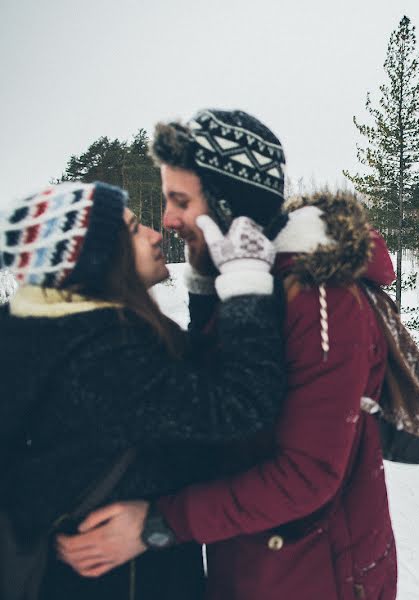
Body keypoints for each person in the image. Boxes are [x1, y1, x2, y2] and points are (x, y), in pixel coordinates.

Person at [59, 109, 399, 600]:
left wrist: (154, 525)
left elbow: (308, 475)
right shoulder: (244, 285)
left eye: (180, 201)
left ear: (229, 205)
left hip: (315, 578)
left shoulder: (320, 297)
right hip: (248, 564)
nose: (168, 220)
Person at [0, 180, 285, 600]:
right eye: (134, 229)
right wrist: (245, 284)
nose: (155, 233)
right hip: (129, 583)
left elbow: (183, 388)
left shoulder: (45, 333)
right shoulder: (104, 357)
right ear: (98, 261)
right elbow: (240, 407)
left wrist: (205, 286)